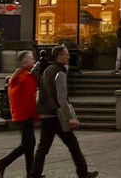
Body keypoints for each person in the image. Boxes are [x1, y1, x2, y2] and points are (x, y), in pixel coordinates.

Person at [30, 45, 98, 178]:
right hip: (56, 115)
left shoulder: (47, 70)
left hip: (45, 114)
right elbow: (62, 98)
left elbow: (41, 92)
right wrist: (70, 117)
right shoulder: (60, 72)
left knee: (43, 148)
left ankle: (34, 175)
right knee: (73, 144)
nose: (69, 56)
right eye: (66, 54)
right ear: (60, 56)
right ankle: (83, 173)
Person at [0, 50, 38, 178]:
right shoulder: (27, 77)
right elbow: (31, 99)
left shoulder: (15, 76)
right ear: (25, 62)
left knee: (30, 143)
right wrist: (35, 116)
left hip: (18, 114)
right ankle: (2, 163)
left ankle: (31, 173)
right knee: (27, 144)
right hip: (26, 114)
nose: (34, 61)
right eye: (31, 59)